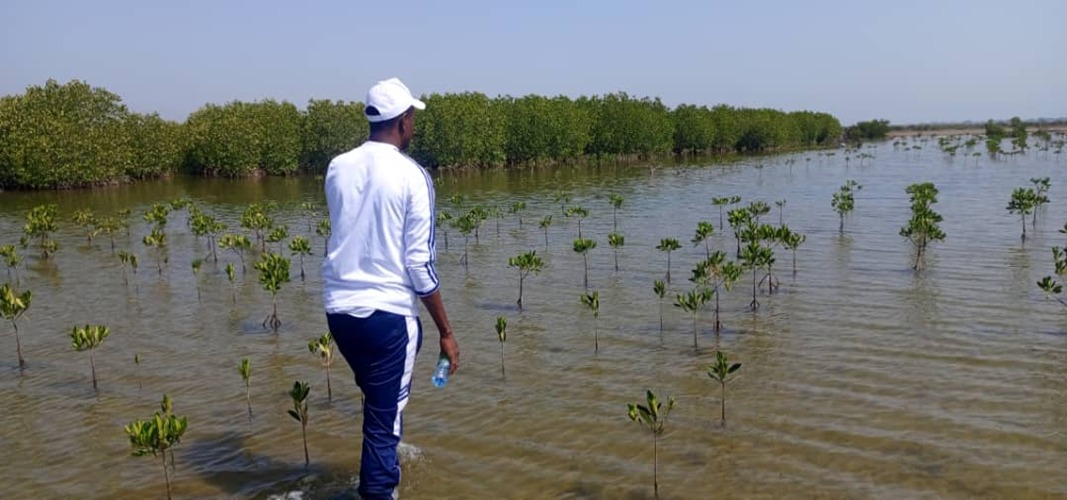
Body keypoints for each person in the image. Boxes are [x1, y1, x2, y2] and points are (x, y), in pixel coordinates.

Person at [322, 77, 460, 500]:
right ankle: (379, 489)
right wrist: (447, 332)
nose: (414, 124)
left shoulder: (337, 166)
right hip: (387, 318)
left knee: (379, 408)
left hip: (339, 312)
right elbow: (418, 263)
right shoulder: (413, 175)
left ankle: (382, 466)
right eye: (412, 117)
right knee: (384, 424)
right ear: (402, 122)